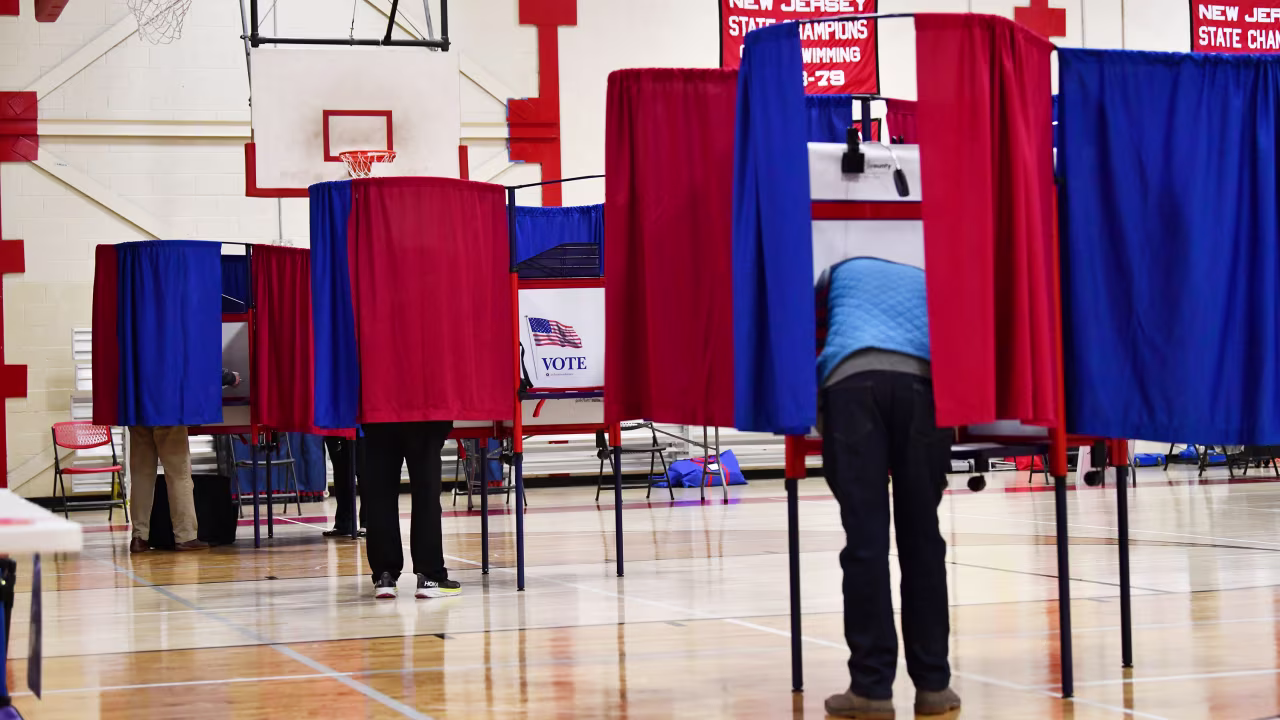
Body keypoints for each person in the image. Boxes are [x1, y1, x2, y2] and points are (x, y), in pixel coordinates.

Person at [816, 258, 961, 719]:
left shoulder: (835, 269)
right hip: (924, 386)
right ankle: (934, 687)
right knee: (922, 540)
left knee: (866, 544)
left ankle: (871, 688)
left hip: (852, 385)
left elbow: (805, 329)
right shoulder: (931, 270)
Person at [129, 368, 240, 553]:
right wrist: (228, 377)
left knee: (141, 475)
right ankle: (186, 536)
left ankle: (139, 537)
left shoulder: (132, 338)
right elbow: (194, 365)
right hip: (168, 406)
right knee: (178, 475)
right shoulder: (172, 339)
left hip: (137, 404)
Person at [360, 421, 461, 599]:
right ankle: (430, 576)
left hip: (379, 407)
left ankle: (384, 577)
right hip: (424, 408)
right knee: (426, 493)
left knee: (380, 493)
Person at [322, 436, 363, 538]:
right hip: (335, 427)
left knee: (363, 470)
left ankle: (367, 523)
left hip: (359, 427)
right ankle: (343, 523)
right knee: (341, 473)